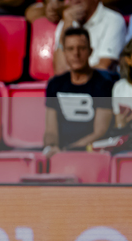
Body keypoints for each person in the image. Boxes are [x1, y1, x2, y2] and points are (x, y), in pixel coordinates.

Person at [44, 27, 114, 158]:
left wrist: (68, 151)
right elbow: (50, 130)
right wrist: (52, 147)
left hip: (91, 153)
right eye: (70, 49)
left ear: (90, 51)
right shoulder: (55, 84)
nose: (76, 54)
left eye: (81, 48)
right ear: (64, 52)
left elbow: (100, 131)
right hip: (61, 152)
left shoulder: (103, 84)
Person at [53, 0, 126, 75]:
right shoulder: (65, 23)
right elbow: (60, 71)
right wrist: (67, 25)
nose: (75, 1)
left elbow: (103, 67)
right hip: (71, 84)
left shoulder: (113, 20)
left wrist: (76, 79)